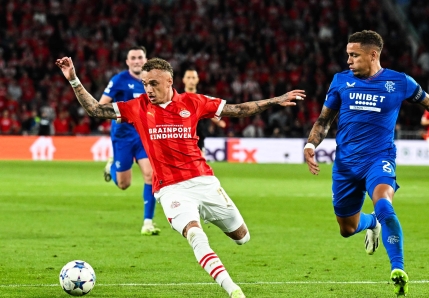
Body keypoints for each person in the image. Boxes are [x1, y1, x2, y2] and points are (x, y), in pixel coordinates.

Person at [56, 56, 305, 298]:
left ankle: (204, 213)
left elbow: (237, 109)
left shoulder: (193, 102)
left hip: (204, 181)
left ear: (169, 82)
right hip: (170, 189)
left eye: (153, 83)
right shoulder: (137, 107)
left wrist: (276, 100)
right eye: (145, 84)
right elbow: (95, 110)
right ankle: (233, 290)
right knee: (195, 234)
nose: (148, 89)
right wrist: (74, 80)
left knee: (242, 237)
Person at [303, 30, 429, 297]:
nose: (348, 61)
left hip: (379, 160)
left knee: (384, 203)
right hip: (345, 165)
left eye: (354, 55)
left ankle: (397, 269)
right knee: (347, 228)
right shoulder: (340, 81)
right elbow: (323, 121)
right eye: (348, 55)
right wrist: (310, 145)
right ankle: (371, 225)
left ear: (373, 55)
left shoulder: (399, 82)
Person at [99, 46, 160, 236]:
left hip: (144, 136)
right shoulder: (119, 80)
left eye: (140, 57)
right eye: (133, 58)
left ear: (145, 59)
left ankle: (148, 223)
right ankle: (112, 168)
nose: (136, 61)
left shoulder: (153, 81)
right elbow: (101, 106)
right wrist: (118, 114)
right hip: (123, 137)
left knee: (151, 175)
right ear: (127, 62)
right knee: (124, 184)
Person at [182, 68, 226, 156]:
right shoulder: (178, 98)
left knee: (200, 166)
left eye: (193, 77)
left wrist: (217, 121)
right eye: (189, 77)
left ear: (197, 79)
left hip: (199, 135)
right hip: (183, 136)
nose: (191, 80)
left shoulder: (203, 98)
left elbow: (209, 112)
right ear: (184, 79)